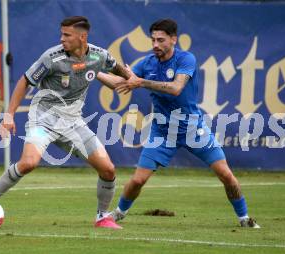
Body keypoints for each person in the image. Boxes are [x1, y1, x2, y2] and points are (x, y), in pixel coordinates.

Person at [97, 19, 260, 228]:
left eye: (161, 40)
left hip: (192, 128)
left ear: (174, 39)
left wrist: (142, 82)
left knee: (226, 175)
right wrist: (91, 72)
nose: (155, 44)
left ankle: (244, 218)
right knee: (138, 180)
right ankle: (118, 213)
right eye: (153, 40)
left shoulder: (186, 59)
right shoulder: (147, 63)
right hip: (162, 131)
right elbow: (119, 83)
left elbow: (176, 88)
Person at [0, 16, 133, 229]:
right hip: (43, 121)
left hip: (73, 124)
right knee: (28, 163)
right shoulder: (51, 58)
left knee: (108, 170)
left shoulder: (99, 55)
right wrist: (8, 116)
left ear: (83, 37)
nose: (61, 39)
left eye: (67, 35)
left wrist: (130, 76)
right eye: (61, 34)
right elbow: (24, 82)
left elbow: (116, 68)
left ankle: (102, 217)